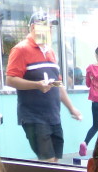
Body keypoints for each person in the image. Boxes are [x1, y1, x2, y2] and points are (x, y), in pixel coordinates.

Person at [5, 13, 82, 163]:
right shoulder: (21, 49)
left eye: (51, 28)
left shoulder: (50, 52)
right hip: (33, 117)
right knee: (48, 161)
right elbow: (10, 79)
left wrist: (71, 108)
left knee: (55, 161)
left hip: (54, 116)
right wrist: (36, 85)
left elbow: (57, 84)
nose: (49, 31)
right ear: (33, 27)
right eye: (46, 27)